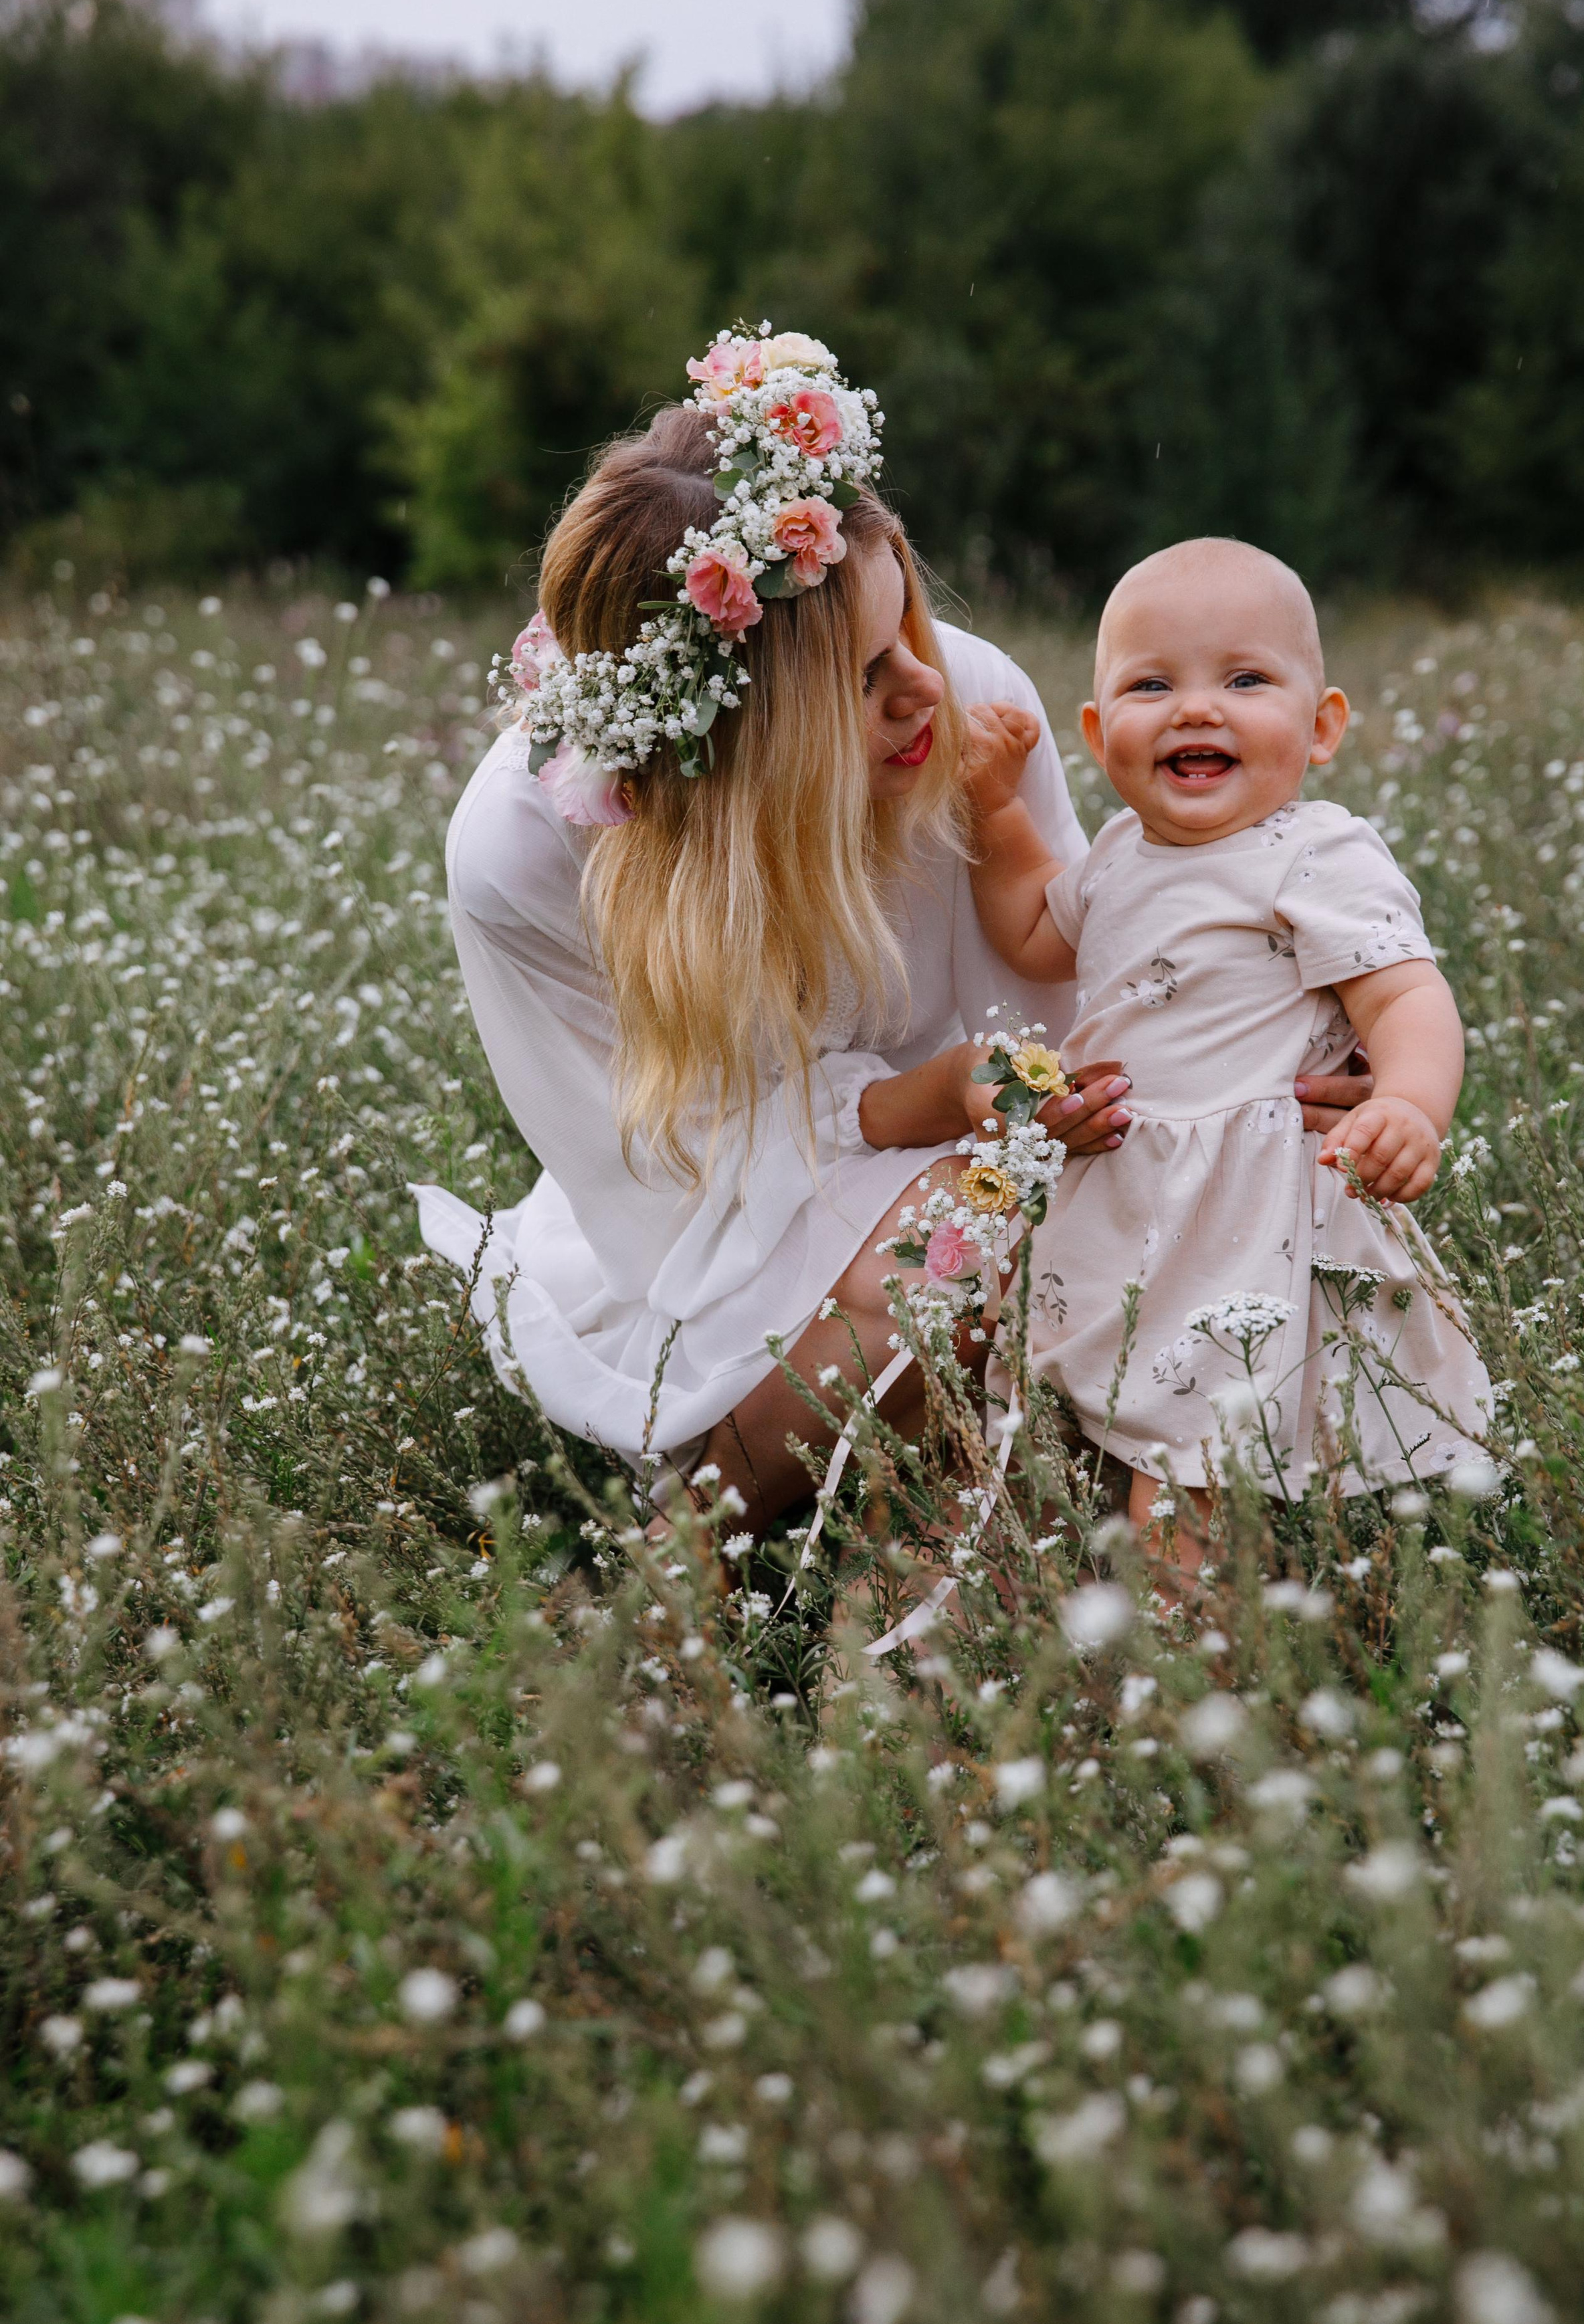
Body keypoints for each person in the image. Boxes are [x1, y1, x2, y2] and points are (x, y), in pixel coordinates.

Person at [415, 338, 1370, 1530]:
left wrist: (1287, 1035)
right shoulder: (528, 857)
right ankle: (700, 1545)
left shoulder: (964, 715)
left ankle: (957, 1518)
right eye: (866, 678)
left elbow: (1098, 981)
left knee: (1101, 1255)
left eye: (912, 619)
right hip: (741, 1244)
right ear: (744, 737)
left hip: (1002, 1160)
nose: (928, 684)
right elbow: (674, 1180)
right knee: (963, 1242)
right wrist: (937, 1120)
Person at [964, 536, 1492, 1565]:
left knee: (1197, 1447)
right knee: (1085, 1415)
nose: (1196, 709)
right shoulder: (1118, 854)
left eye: (1246, 680)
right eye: (1151, 684)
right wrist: (992, 809)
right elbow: (1033, 930)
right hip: (1122, 1188)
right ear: (1098, 729)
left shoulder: (1316, 851)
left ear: (1322, 725)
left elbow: (1408, 1000)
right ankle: (1065, 1600)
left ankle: (1187, 1653)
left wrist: (1412, 1107)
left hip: (1237, 1209)